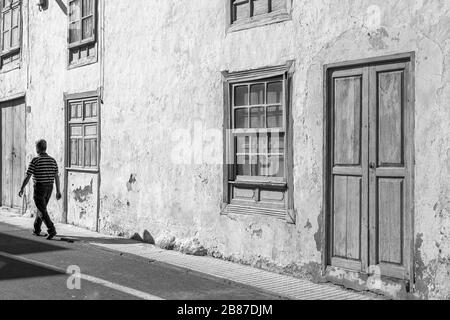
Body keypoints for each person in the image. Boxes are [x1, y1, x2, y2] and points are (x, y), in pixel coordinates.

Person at [18, 139, 62, 240]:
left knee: (42, 209)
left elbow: (28, 175)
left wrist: (22, 188)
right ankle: (36, 229)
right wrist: (58, 190)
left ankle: (51, 229)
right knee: (42, 208)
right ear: (45, 148)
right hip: (49, 187)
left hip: (39, 187)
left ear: (37, 148)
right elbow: (56, 176)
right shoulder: (52, 160)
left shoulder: (35, 160)